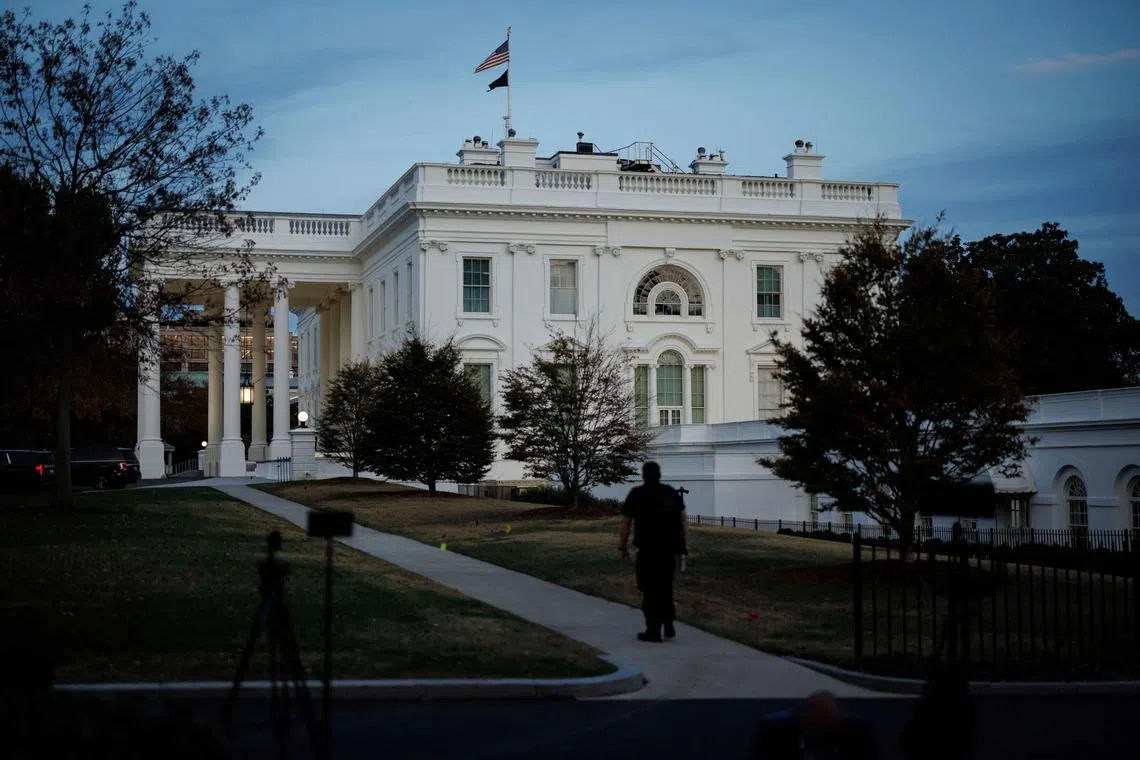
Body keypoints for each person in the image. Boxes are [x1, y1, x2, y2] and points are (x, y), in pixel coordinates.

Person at [618, 461, 688, 642]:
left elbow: (626, 522)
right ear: (659, 474)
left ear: (643, 475)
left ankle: (654, 630)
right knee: (665, 586)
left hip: (648, 550)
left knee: (648, 588)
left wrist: (623, 546)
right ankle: (668, 620)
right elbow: (683, 520)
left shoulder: (638, 494)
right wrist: (684, 545)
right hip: (669, 549)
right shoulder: (671, 492)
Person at [752, 691, 879, 759]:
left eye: (830, 724)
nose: (826, 730)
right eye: (820, 726)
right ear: (804, 721)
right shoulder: (774, 734)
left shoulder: (857, 733)